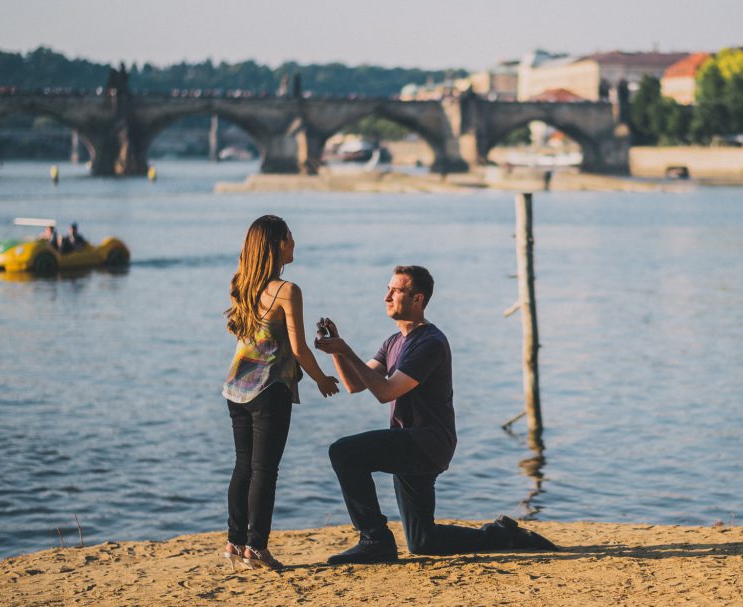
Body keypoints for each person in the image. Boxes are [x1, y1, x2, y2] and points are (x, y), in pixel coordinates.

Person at [315, 265, 557, 564]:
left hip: (426, 442)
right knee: (423, 541)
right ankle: (501, 534)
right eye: (387, 289)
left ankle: (374, 540)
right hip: (408, 441)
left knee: (344, 452)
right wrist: (337, 351)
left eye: (396, 290)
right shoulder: (393, 342)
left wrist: (346, 349)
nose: (387, 297)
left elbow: (385, 392)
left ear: (417, 299)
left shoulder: (429, 342)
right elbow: (354, 385)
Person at [221, 214, 341, 571]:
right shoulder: (288, 291)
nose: (294, 242)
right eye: (290, 236)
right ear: (276, 244)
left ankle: (234, 542)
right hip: (269, 388)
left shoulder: (242, 283)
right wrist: (321, 378)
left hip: (236, 387)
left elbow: (247, 336)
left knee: (243, 467)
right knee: (264, 470)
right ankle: (256, 548)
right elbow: (300, 348)